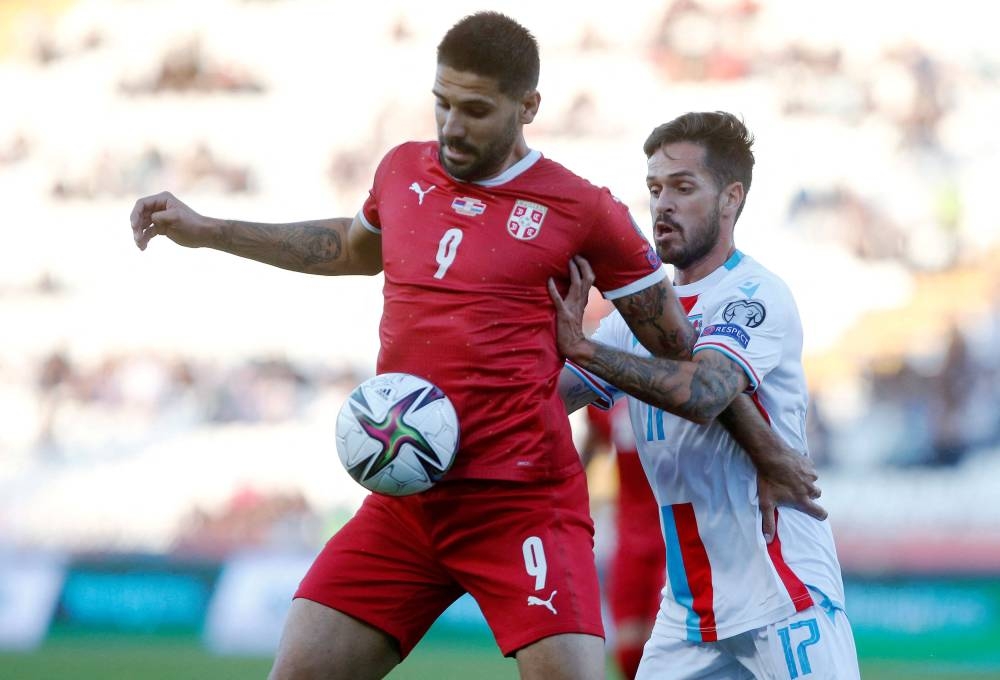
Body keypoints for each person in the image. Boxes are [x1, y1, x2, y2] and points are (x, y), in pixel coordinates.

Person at [130, 13, 820, 679]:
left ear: (528, 107)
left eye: (476, 110)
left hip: (523, 503)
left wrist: (761, 448)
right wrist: (210, 229)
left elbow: (683, 354)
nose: (452, 127)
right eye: (443, 104)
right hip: (408, 498)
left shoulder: (584, 210)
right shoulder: (402, 171)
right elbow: (346, 245)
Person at [550, 111, 860, 679]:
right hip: (691, 610)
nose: (662, 204)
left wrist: (588, 352)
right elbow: (549, 398)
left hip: (781, 586)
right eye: (654, 188)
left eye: (683, 187)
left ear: (730, 198)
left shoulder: (755, 293)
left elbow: (703, 392)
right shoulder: (632, 321)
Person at [578, 402, 664, 680]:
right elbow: (593, 444)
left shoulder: (676, 383)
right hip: (629, 535)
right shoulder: (606, 393)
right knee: (628, 652)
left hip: (674, 536)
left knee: (666, 644)